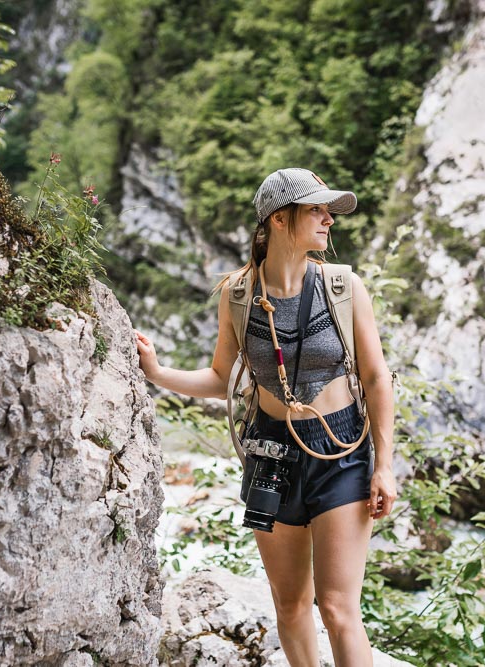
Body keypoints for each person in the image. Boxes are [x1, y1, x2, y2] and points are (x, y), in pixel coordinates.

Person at [134, 167, 397, 666]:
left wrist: (384, 465)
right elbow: (220, 380)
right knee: (290, 602)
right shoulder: (237, 294)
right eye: (316, 210)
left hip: (339, 452)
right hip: (269, 452)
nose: (328, 220)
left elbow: (377, 378)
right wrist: (158, 372)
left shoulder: (342, 286)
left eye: (328, 211)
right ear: (280, 219)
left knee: (339, 608)